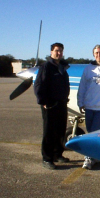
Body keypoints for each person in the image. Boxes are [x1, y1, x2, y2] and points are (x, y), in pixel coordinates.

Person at [34, 42, 70, 170]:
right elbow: (39, 85)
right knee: (49, 131)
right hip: (49, 104)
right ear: (51, 52)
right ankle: (47, 158)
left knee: (60, 130)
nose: (58, 53)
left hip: (62, 103)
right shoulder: (46, 67)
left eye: (60, 51)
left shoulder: (62, 67)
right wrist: (43, 101)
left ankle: (57, 154)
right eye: (56, 51)